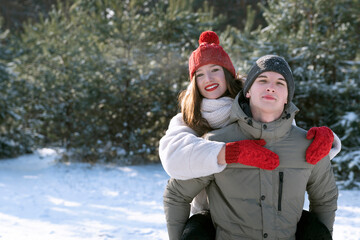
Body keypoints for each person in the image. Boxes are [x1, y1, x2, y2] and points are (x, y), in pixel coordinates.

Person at [163, 54, 338, 239]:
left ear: (288, 96)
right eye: (262, 80)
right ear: (247, 91)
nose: (271, 86)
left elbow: (325, 198)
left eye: (280, 83)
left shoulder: (310, 145)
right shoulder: (212, 141)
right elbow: (176, 193)